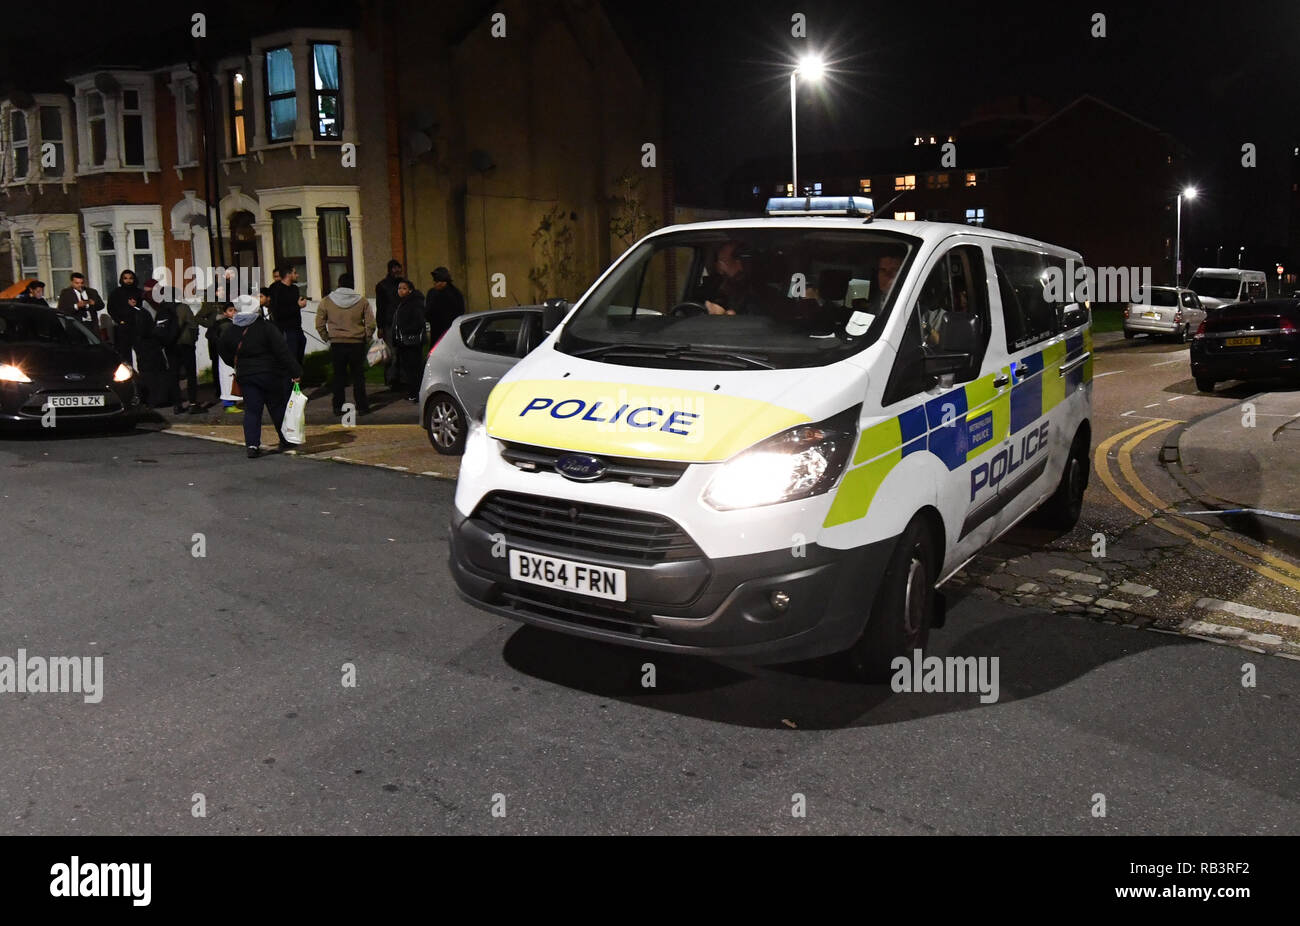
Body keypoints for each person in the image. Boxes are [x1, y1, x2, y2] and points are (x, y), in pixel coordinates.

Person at [218, 294, 303, 458]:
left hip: (246, 374)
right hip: (269, 373)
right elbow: (282, 351)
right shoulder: (267, 327)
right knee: (277, 407)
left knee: (252, 410)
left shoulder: (230, 331)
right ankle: (286, 439)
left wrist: (235, 364)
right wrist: (295, 371)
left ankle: (252, 445)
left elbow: (222, 350)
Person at [315, 271, 375, 416]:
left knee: (339, 376)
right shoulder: (362, 301)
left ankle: (338, 406)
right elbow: (371, 323)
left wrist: (327, 338)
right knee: (358, 376)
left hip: (337, 343)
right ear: (353, 284)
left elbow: (319, 323)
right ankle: (362, 406)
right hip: (356, 343)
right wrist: (366, 337)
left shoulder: (327, 301)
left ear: (339, 284)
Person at [134, 280, 180, 409]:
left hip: (154, 344)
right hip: (148, 345)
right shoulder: (145, 307)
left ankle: (159, 398)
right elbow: (145, 328)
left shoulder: (158, 307)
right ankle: (154, 399)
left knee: (157, 372)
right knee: (151, 372)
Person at [696, 240, 765, 316]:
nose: (741, 265)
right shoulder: (710, 288)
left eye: (743, 259)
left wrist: (723, 316)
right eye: (735, 258)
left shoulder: (758, 293)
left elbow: (755, 322)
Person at [392, 279, 427, 402]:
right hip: (404, 341)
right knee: (408, 369)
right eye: (399, 288)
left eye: (404, 288)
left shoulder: (414, 302)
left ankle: (416, 393)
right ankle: (413, 392)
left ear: (410, 290)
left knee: (414, 368)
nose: (400, 290)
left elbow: (418, 322)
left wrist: (405, 330)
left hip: (411, 341)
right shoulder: (403, 302)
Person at [268, 263, 308, 365]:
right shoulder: (277, 289)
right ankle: (290, 380)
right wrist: (297, 306)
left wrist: (300, 304)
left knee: (299, 360)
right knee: (291, 360)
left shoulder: (294, 289)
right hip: (286, 330)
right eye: (295, 273)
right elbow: (278, 312)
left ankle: (297, 381)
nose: (297, 275)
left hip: (297, 328)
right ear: (288, 274)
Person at [375, 259, 403, 389]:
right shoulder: (382, 286)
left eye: (399, 268)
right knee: (391, 353)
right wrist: (380, 326)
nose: (397, 271)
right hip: (389, 323)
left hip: (403, 323)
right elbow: (380, 307)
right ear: (390, 269)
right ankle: (392, 380)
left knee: (402, 352)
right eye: (395, 268)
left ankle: (401, 378)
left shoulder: (404, 284)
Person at [169, 298, 202, 413]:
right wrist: (194, 339)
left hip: (170, 345)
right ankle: (193, 403)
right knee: (190, 374)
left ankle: (177, 405)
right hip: (185, 344)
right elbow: (193, 325)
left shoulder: (163, 309)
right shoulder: (184, 308)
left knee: (174, 376)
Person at [107, 270, 143, 365]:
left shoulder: (139, 292)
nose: (128, 281)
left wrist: (135, 306)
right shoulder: (116, 292)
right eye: (125, 278)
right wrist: (119, 321)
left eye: (130, 278)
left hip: (137, 326)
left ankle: (143, 375)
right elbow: (111, 308)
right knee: (124, 354)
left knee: (141, 352)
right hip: (123, 327)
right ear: (122, 279)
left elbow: (143, 309)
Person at [425, 266, 465, 344]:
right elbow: (427, 312)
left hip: (450, 332)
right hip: (436, 332)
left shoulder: (454, 294)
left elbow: (460, 312)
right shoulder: (432, 293)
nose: (434, 283)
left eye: (437, 281)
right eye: (434, 281)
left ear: (444, 282)